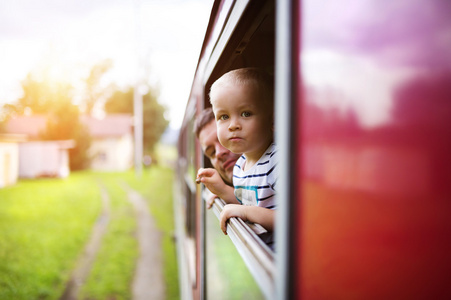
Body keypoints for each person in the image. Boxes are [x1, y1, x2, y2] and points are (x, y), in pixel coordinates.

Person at [196, 68, 276, 242]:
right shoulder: (241, 166)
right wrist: (223, 190)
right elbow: (247, 201)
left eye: (245, 113)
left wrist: (246, 213)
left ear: (272, 121)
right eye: (224, 116)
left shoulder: (277, 161)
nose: (233, 125)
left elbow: (297, 221)